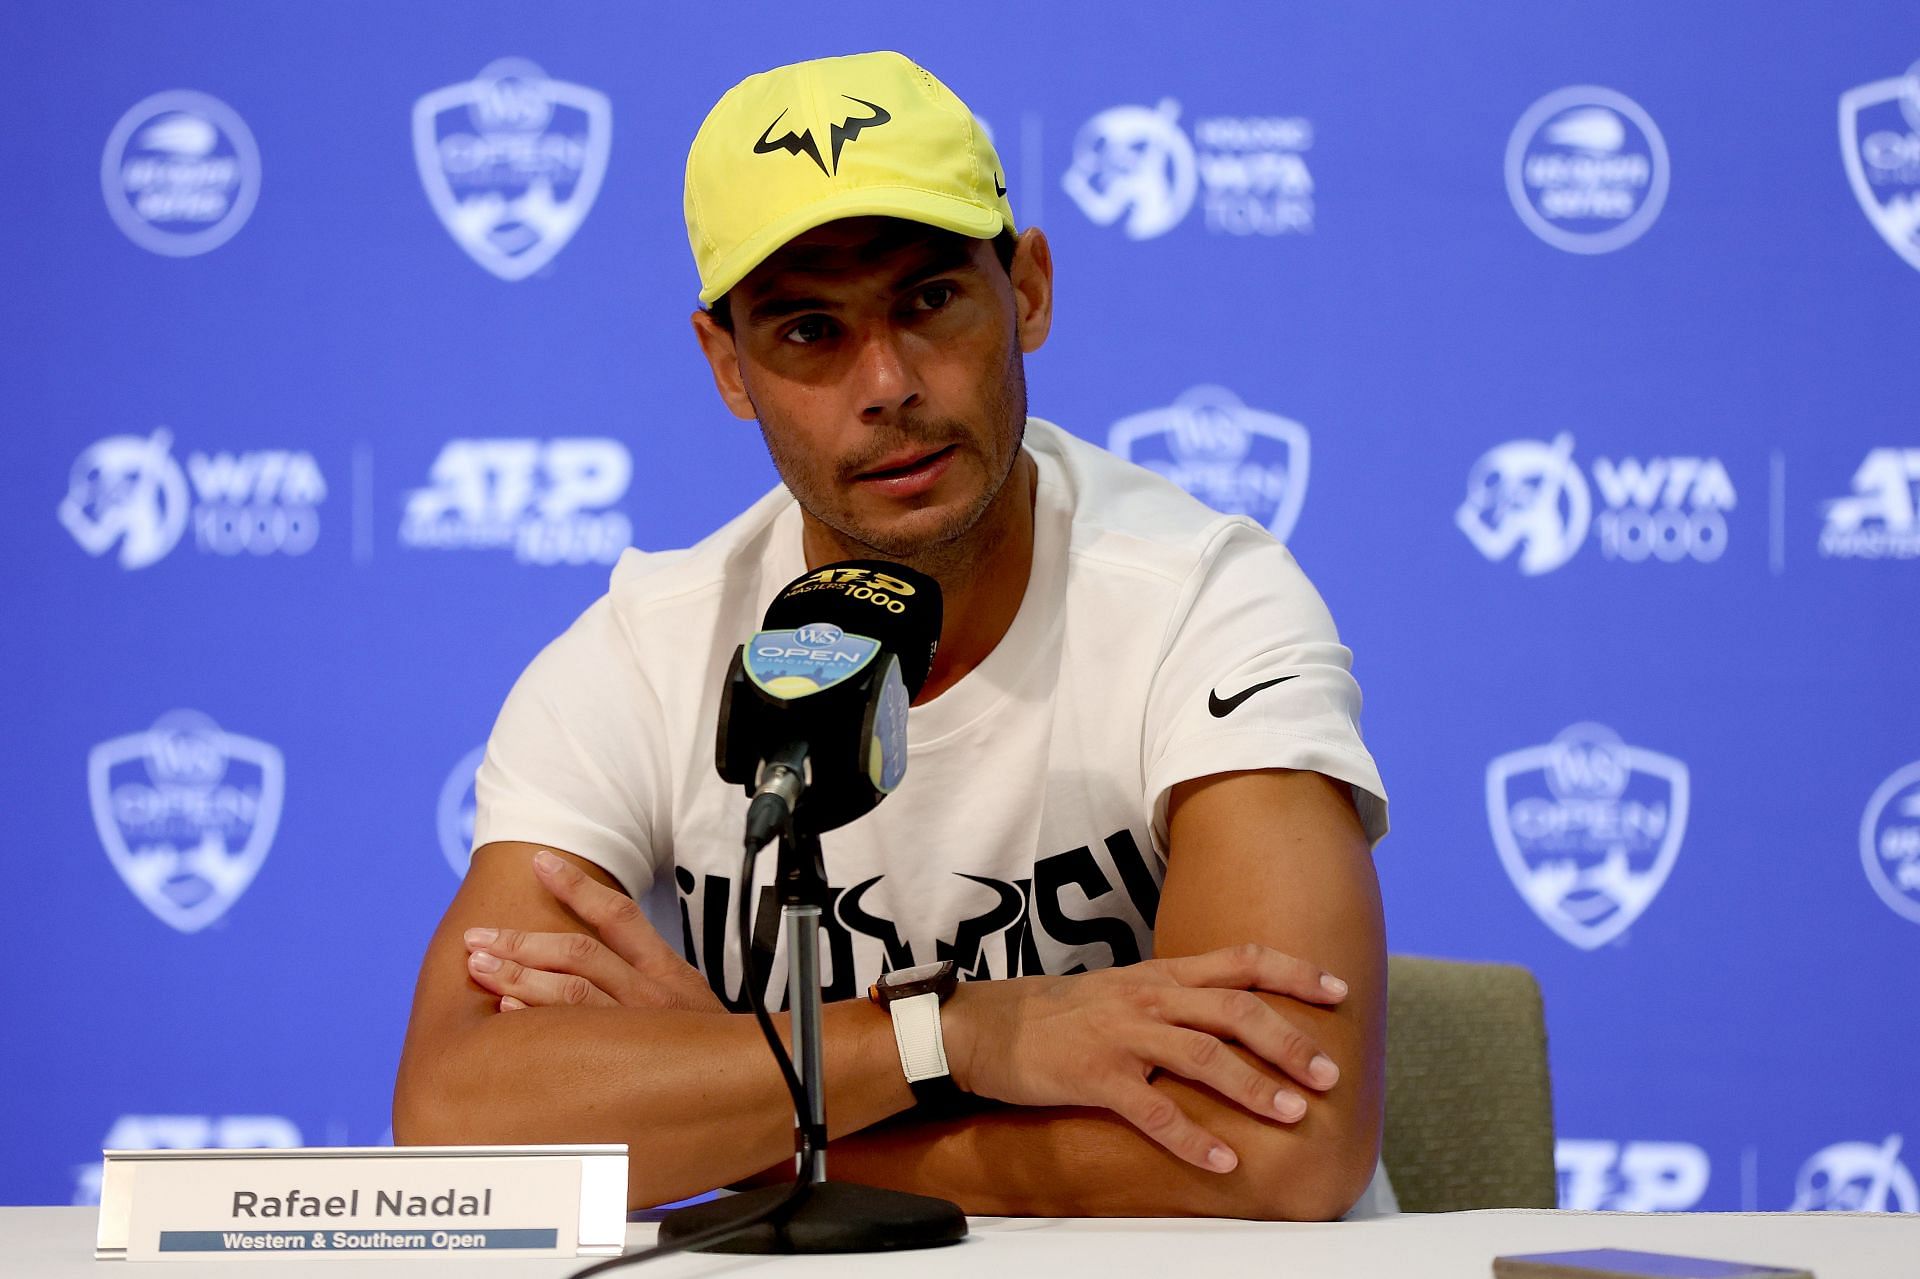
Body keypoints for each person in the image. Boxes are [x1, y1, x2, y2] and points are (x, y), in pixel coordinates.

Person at [393, 50, 1391, 1222]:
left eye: (927, 301)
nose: (886, 383)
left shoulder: (1203, 604)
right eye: (810, 331)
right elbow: (458, 1117)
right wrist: (958, 1036)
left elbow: (1281, 1151)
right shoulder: (641, 657)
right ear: (728, 366)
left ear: (1026, 289)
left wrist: (748, 1117)